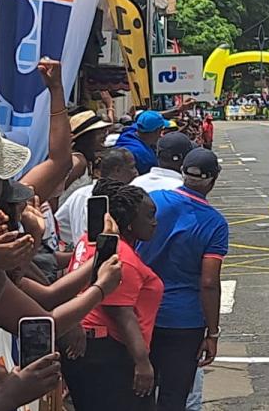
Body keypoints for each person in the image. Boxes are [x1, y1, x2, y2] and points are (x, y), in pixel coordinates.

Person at [137, 149, 228, 411]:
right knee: (174, 396)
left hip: (142, 313)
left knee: (139, 391)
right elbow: (209, 282)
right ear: (212, 180)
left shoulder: (153, 201)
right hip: (183, 321)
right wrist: (212, 332)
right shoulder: (214, 223)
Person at [63, 180, 163, 411]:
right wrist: (142, 362)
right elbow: (120, 312)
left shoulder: (89, 240)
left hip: (91, 349)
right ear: (128, 223)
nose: (154, 223)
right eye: (148, 216)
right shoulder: (121, 258)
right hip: (110, 354)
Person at [55, 148, 139, 245]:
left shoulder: (80, 193)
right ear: (117, 170)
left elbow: (60, 222)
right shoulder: (113, 198)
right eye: (132, 167)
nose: (136, 172)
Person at [116, 111, 172, 175]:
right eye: (161, 130)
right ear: (157, 131)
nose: (161, 135)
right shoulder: (145, 156)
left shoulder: (130, 131)